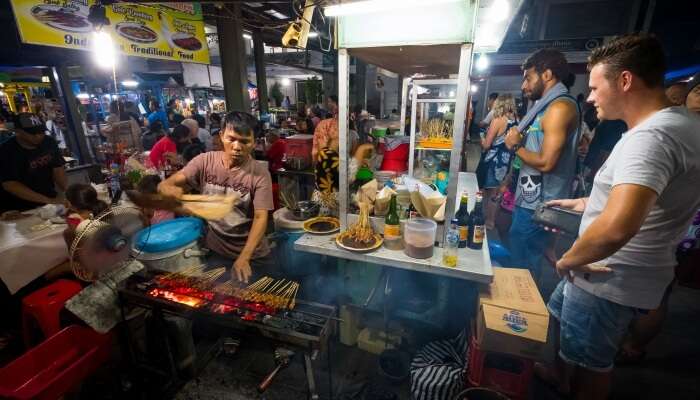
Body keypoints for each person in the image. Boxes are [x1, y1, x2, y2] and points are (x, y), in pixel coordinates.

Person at [539, 34, 700, 400]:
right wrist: (584, 202)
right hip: (611, 270)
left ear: (625, 81)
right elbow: (648, 199)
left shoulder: (653, 137)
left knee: (592, 364)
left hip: (606, 274)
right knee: (566, 329)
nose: (590, 97)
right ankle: (558, 379)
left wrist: (567, 261)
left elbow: (617, 226)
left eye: (595, 87)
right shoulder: (679, 124)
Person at [159, 111, 275, 283]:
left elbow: (260, 217)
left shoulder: (259, 174)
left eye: (244, 141)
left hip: (252, 254)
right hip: (217, 250)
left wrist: (244, 258)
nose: (237, 147)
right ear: (221, 136)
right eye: (231, 139)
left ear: (254, 143)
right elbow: (167, 185)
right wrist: (167, 187)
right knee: (217, 302)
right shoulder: (204, 161)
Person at [503, 48, 581, 280]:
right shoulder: (545, 107)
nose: (523, 86)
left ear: (546, 75)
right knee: (522, 254)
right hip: (529, 198)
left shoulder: (559, 107)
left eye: (528, 77)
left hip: (539, 204)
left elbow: (546, 162)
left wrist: (516, 146)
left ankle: (523, 309)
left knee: (523, 260)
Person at [0, 113, 67, 212]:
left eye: (41, 132)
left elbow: (57, 168)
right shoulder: (6, 151)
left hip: (49, 201)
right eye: (33, 133)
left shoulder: (49, 142)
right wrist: (49, 201)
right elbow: (10, 184)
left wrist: (69, 192)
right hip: (19, 209)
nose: (38, 136)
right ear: (18, 131)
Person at [480, 94, 518, 230]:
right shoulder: (515, 121)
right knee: (498, 192)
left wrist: (481, 139)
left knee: (489, 192)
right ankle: (492, 220)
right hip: (508, 161)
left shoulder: (498, 120)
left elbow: (487, 144)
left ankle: (487, 221)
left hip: (494, 161)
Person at [312, 95, 339, 162]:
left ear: (334, 102)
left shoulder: (337, 111)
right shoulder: (334, 111)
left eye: (329, 102)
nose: (328, 104)